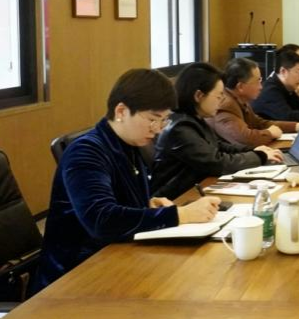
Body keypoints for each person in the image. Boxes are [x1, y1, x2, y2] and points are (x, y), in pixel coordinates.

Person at [32, 69, 220, 293]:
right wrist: (180, 215)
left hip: (116, 256)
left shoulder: (128, 144)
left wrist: (145, 204)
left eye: (163, 120)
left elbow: (114, 199)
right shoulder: (85, 152)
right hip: (74, 278)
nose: (158, 129)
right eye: (152, 119)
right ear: (121, 111)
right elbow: (101, 219)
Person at [152, 62, 284, 199]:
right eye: (219, 96)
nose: (221, 101)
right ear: (199, 96)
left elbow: (218, 146)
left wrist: (254, 150)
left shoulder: (194, 118)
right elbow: (216, 163)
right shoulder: (180, 127)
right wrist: (260, 156)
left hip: (197, 188)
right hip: (176, 199)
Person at [208, 57, 299, 147]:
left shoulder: (240, 99)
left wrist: (298, 126)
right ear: (240, 86)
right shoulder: (225, 105)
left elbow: (260, 123)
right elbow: (244, 140)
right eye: (258, 81)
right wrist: (270, 133)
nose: (261, 87)